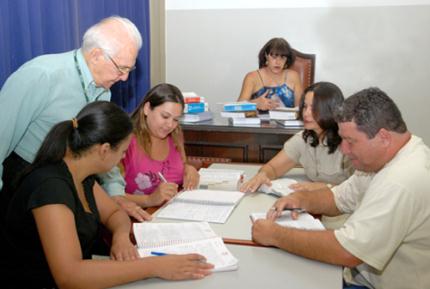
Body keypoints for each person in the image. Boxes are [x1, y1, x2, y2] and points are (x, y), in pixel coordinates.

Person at [0, 101, 213, 289]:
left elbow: (114, 213)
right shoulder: (50, 188)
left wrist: (120, 237)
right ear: (104, 150)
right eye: (122, 152)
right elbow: (69, 276)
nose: (122, 158)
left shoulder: (82, 176)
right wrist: (154, 266)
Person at [251, 87, 430, 289]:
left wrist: (275, 235)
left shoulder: (401, 180)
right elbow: (339, 197)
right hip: (358, 276)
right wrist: (302, 199)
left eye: (350, 141)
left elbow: (347, 251)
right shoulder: (381, 160)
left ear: (383, 137)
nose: (344, 150)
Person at [0, 16, 148, 221]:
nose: (124, 78)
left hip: (69, 183)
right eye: (121, 68)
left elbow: (103, 148)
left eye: (129, 69)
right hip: (23, 183)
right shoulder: (41, 75)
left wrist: (115, 193)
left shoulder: (103, 90)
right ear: (96, 55)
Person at [240, 81, 353, 193]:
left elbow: (358, 188)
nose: (306, 113)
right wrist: (262, 175)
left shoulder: (349, 143)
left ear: (331, 110)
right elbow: (273, 168)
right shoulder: (303, 138)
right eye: (305, 107)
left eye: (314, 108)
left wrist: (323, 187)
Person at [120, 83, 200, 207]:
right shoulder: (126, 141)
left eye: (175, 119)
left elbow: (181, 164)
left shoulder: (175, 134)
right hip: (136, 218)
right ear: (147, 108)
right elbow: (110, 196)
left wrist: (189, 169)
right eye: (165, 116)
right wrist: (149, 200)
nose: (170, 125)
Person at [237, 37, 303, 111]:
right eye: (274, 57)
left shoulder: (293, 76)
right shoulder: (252, 77)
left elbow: (300, 110)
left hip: (287, 122)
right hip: (257, 122)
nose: (278, 62)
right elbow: (237, 108)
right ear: (266, 55)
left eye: (283, 58)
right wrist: (255, 104)